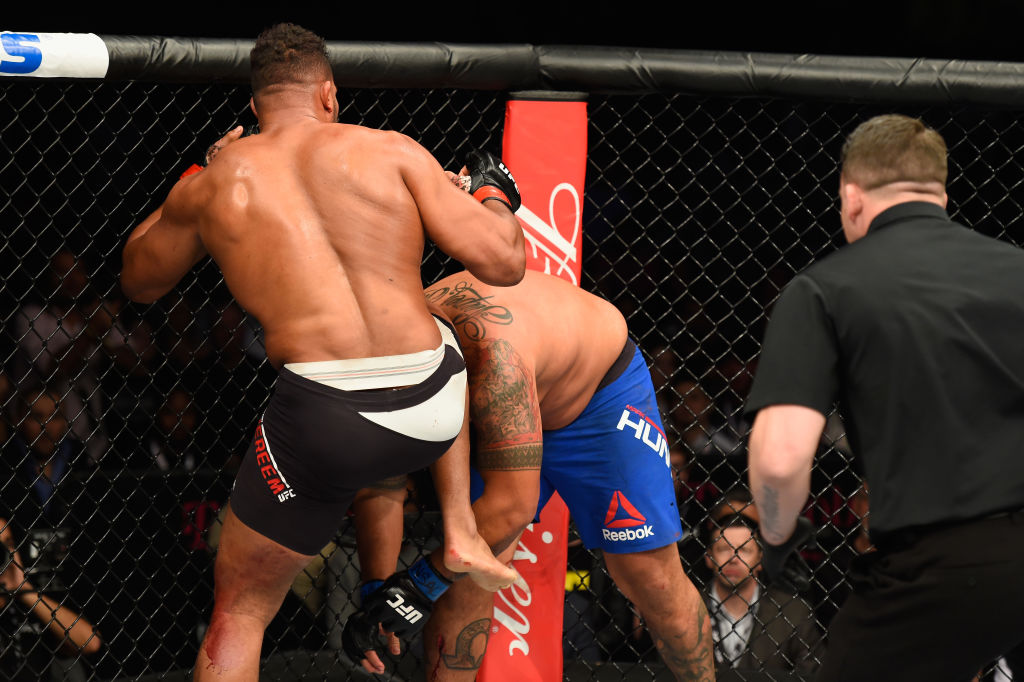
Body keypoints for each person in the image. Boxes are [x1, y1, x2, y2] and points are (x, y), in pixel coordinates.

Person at [119, 23, 526, 680]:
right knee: (443, 326)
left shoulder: (217, 182)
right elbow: (505, 263)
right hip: (435, 407)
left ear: (254, 107)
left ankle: (437, 534)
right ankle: (456, 526)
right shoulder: (392, 151)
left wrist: (201, 166)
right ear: (330, 95)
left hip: (327, 420)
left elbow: (138, 279)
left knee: (241, 612)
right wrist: (490, 194)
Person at [744, 113, 1024, 681]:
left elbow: (779, 458)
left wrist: (776, 535)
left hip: (946, 561)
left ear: (851, 198)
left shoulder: (825, 287)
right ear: (941, 194)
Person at [344, 269, 715, 681]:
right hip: (492, 396)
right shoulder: (383, 355)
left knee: (650, 577)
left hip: (596, 398)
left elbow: (512, 506)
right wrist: (377, 591)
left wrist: (414, 587)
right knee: (468, 576)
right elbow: (381, 482)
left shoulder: (496, 363)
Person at [703, 510, 823, 677]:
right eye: (724, 548)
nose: (733, 558)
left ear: (760, 559)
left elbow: (813, 674)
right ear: (709, 557)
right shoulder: (685, 608)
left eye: (743, 550)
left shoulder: (794, 612)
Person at [0, 516, 102, 681]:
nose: (5, 553)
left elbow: (90, 642)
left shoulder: (33, 608)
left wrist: (25, 589)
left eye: (9, 544)